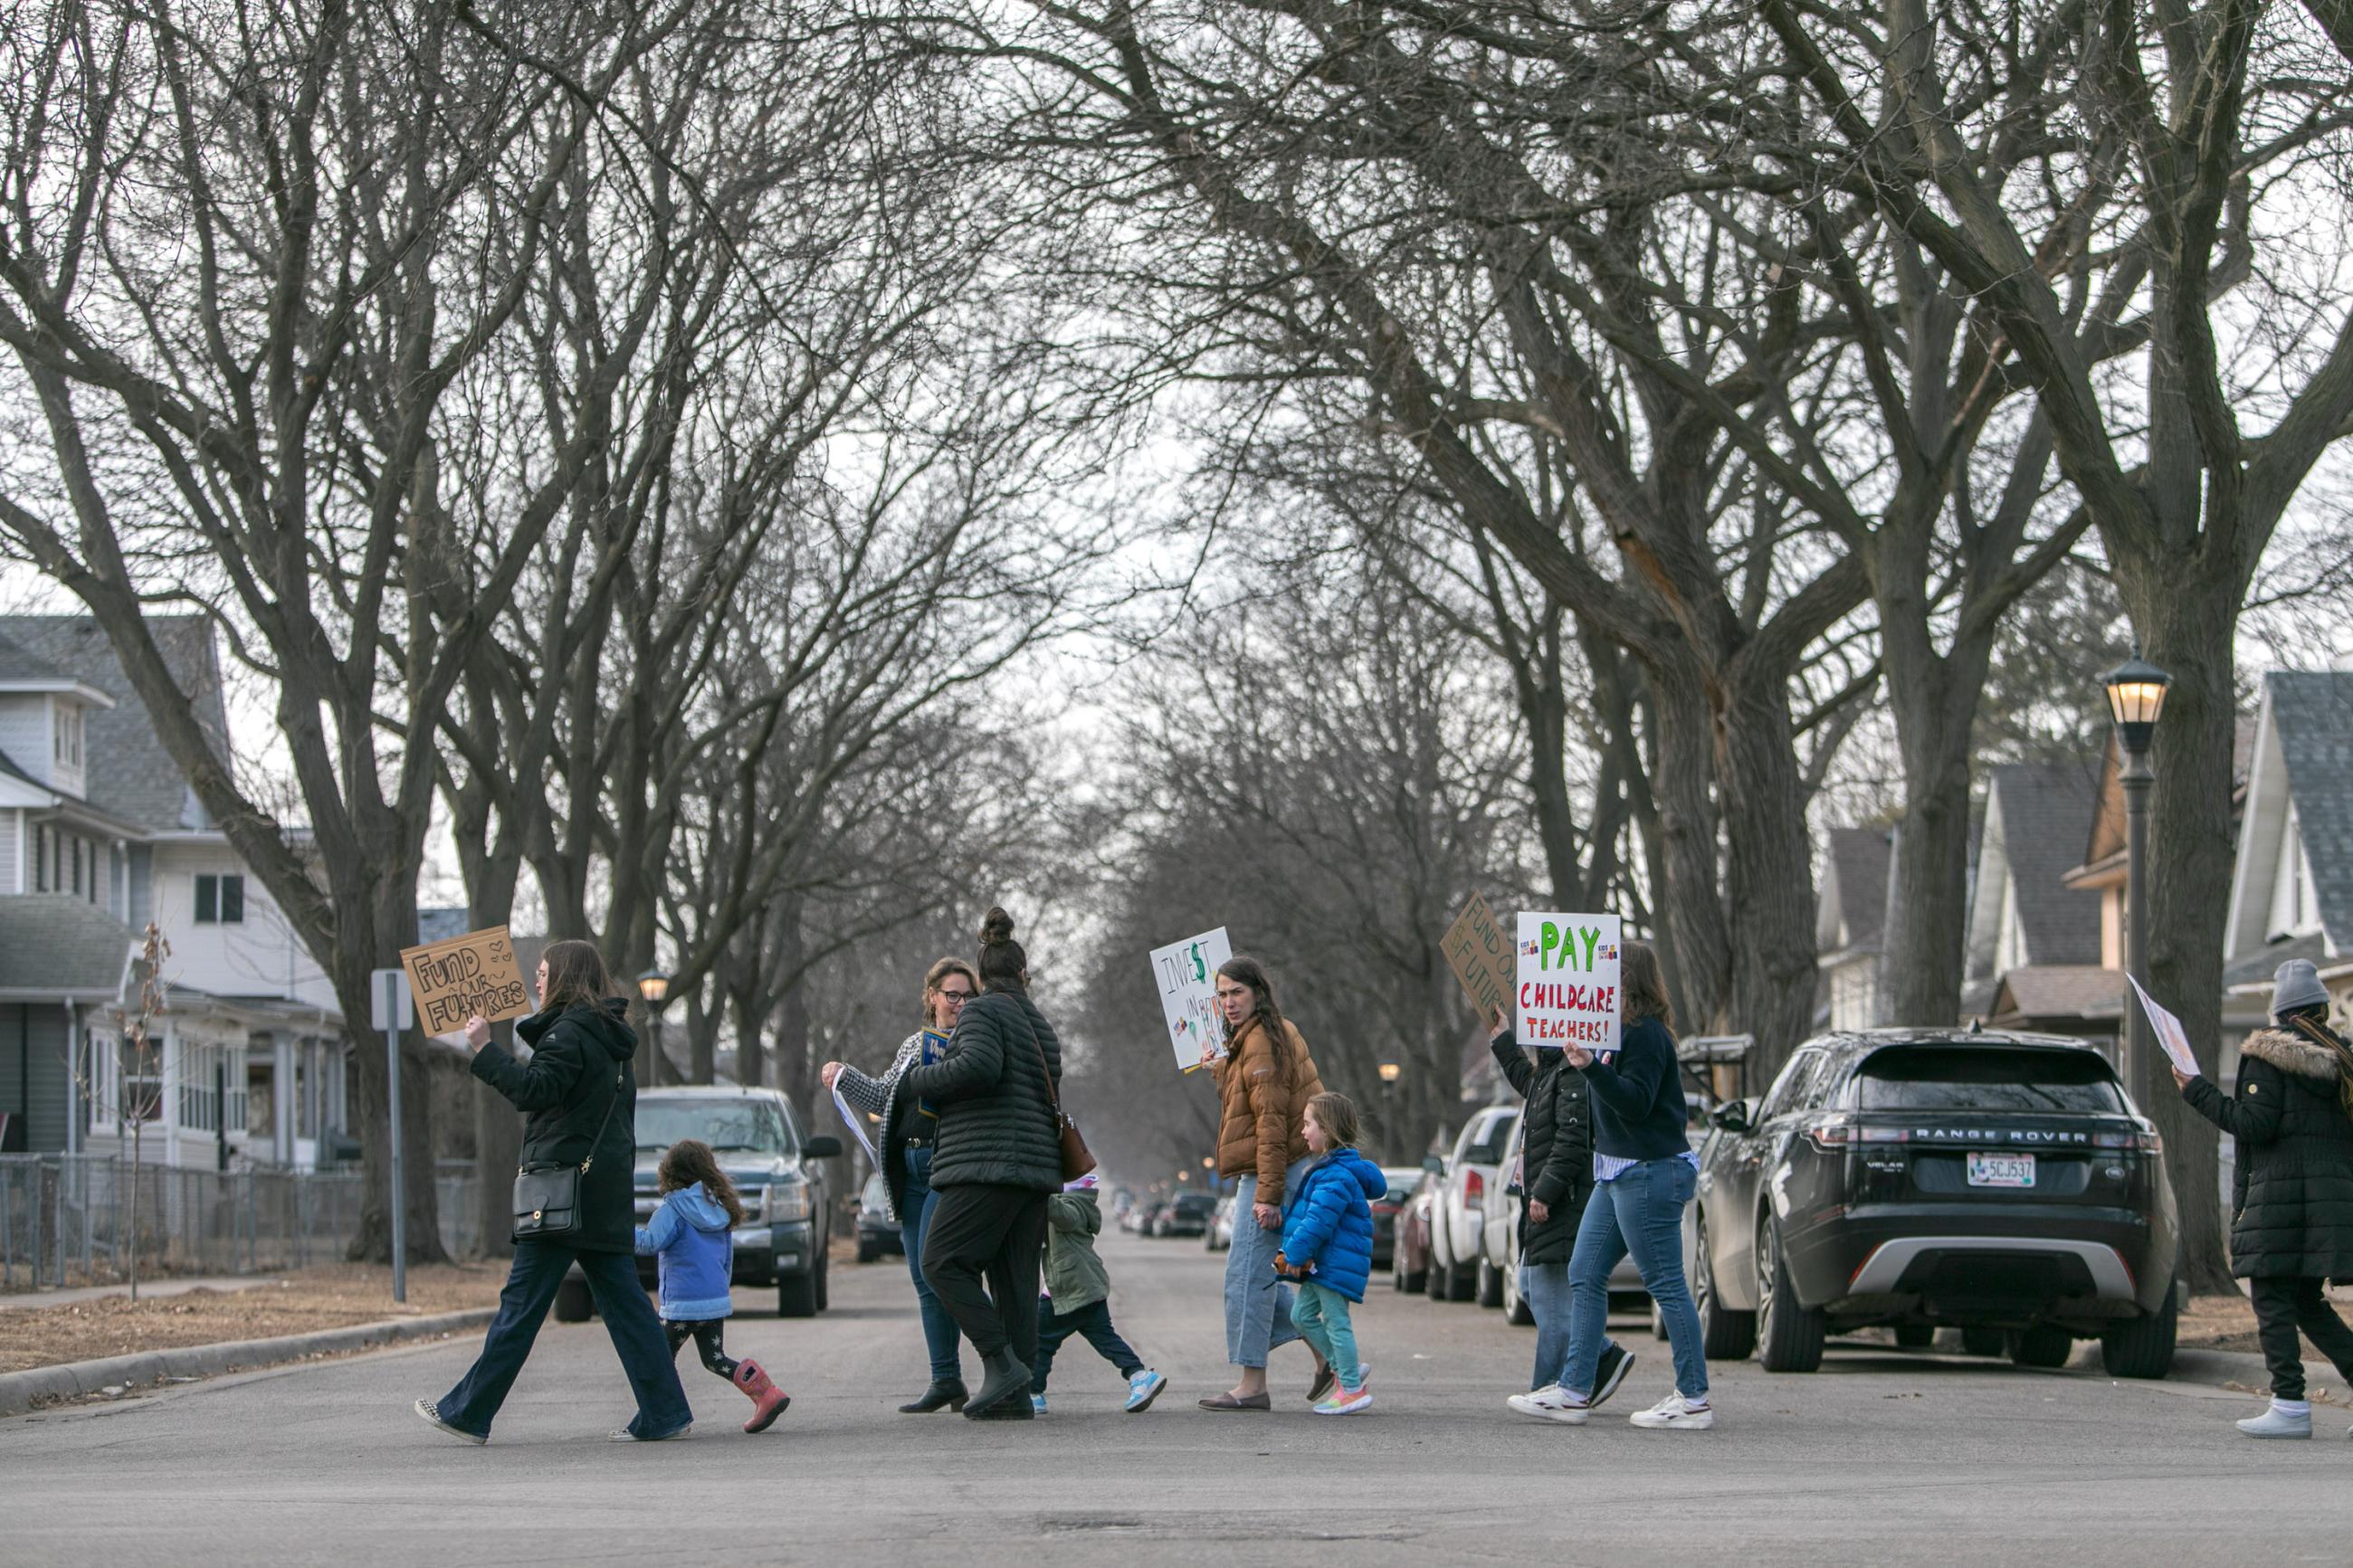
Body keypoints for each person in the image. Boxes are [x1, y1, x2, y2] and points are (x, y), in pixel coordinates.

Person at [414, 940, 693, 1445]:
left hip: (560, 1197)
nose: (536, 981)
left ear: (564, 976)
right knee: (628, 1310)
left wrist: (483, 1048)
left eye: (543, 972)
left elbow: (533, 1091)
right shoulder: (614, 1040)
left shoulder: (568, 1033)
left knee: (520, 1307)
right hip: (601, 1195)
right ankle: (665, 1410)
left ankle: (469, 1412)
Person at [1527, 940, 1713, 1430]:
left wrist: (1591, 1068)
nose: (1595, 982)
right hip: (1615, 1171)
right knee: (1584, 1272)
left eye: (1606, 973)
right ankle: (1573, 1391)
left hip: (1650, 1170)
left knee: (1667, 1285)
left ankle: (1693, 1398)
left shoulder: (1647, 1035)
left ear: (1627, 981)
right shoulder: (1609, 1035)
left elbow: (1635, 1103)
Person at [894, 908, 1066, 1420]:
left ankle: (1000, 1363)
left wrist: (918, 1080)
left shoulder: (982, 1012)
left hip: (985, 1163)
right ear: (1022, 974)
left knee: (941, 1262)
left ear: (984, 975)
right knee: (1014, 1280)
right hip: (1034, 1170)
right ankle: (1015, 1396)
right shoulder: (1040, 1025)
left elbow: (979, 1068)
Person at [2175, 958, 2353, 1439]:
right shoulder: (2344, 1059)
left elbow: (2255, 1125)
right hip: (2328, 1203)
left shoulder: (2267, 1057)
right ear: (2319, 1008)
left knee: (2272, 1295)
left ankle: (2290, 1404)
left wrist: (2198, 1092)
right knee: (2305, 1300)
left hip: (2281, 1199)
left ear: (2281, 1015)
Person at [820, 958, 979, 1413]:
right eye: (952, 995)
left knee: (938, 1269)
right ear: (931, 996)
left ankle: (1003, 1358)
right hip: (905, 1168)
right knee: (923, 1280)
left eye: (968, 996)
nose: (960, 1004)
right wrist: (845, 1077)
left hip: (945, 1166)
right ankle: (946, 1378)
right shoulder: (914, 1044)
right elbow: (882, 1095)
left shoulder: (975, 1042)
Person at [1484, 1007, 1635, 1420]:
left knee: (1550, 1298)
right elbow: (1526, 1081)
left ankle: (1551, 1387)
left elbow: (1572, 1140)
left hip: (1565, 1201)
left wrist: (1546, 1192)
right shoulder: (1552, 1072)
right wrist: (1503, 1038)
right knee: (1533, 1286)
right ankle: (1602, 1355)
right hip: (1549, 1200)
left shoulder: (1571, 1074)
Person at [1200, 955, 1331, 1411]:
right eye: (1221, 994)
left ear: (1258, 991)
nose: (1229, 1002)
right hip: (1276, 1168)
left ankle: (1252, 1385)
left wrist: (1269, 1196)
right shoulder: (1258, 1038)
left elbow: (1272, 1124)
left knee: (1247, 1279)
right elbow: (1254, 1103)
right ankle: (1329, 1356)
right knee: (1263, 1278)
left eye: (1237, 992)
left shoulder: (1260, 1043)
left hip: (1271, 1171)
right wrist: (1220, 1069)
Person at [635, 1138, 789, 1433]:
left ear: (668, 1171)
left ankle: (664, 1417)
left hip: (681, 1305)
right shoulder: (718, 1207)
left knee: (660, 1360)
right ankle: (767, 1394)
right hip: (713, 1301)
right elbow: (726, 1259)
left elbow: (650, 1242)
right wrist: (720, 1293)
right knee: (714, 1359)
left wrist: (620, 1232)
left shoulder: (673, 1208)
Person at [1276, 1092, 1385, 1415]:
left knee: (1337, 1322)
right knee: (1301, 1316)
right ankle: (1343, 1367)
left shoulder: (1335, 1175)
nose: (1303, 1131)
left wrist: (1293, 1254)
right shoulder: (1329, 1170)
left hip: (1333, 1262)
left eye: (1308, 1124)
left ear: (1328, 1128)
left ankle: (1351, 1388)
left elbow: (1318, 1222)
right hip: (1326, 1262)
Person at [1029, 1173, 1167, 1415]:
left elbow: (1063, 1216)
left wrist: (1041, 1191)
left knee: (1041, 1340)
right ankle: (1139, 1375)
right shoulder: (1080, 1203)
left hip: (1069, 1288)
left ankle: (1033, 1393)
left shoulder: (1073, 1205)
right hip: (1086, 1286)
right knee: (1105, 1338)